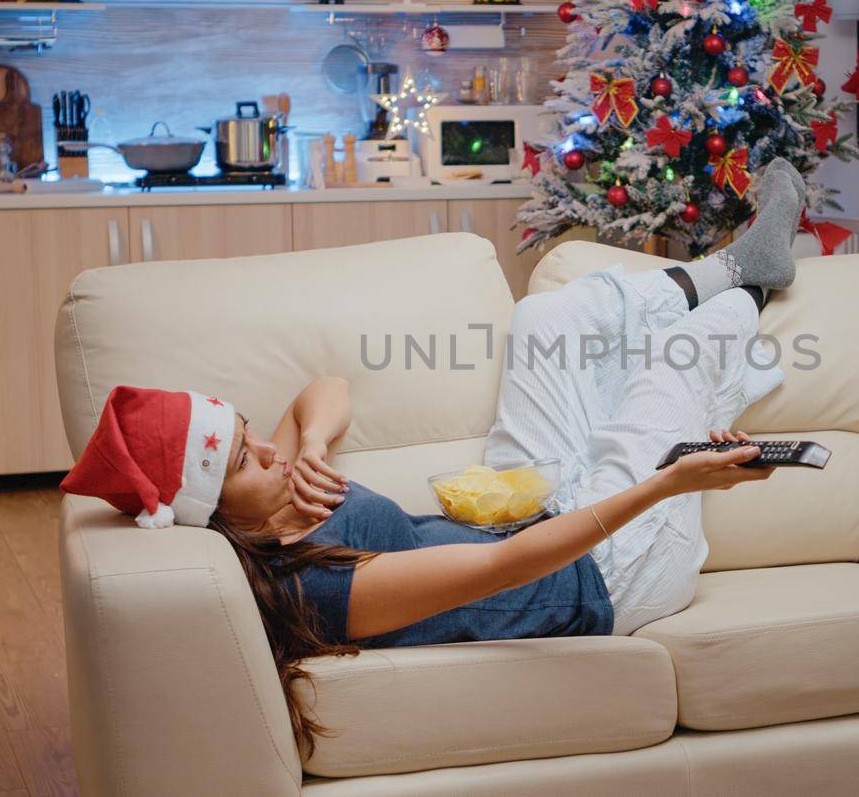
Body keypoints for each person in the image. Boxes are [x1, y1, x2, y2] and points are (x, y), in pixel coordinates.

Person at [61, 158, 811, 753]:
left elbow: (321, 390)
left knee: (549, 318)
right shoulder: (314, 589)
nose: (268, 450)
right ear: (211, 515)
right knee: (673, 361)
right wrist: (667, 484)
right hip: (606, 572)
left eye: (251, 434)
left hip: (537, 511)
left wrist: (314, 439)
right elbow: (501, 570)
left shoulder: (274, 494)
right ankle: (752, 283)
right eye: (246, 461)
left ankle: (737, 265)